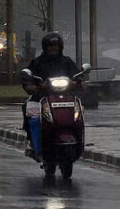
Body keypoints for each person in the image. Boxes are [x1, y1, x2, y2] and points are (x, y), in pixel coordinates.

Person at [21, 32, 84, 160]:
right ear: (45, 47)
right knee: (27, 108)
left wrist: (81, 82)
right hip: (42, 97)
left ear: (60, 46)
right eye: (50, 45)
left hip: (65, 97)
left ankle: (79, 141)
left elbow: (77, 75)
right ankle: (31, 143)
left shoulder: (67, 62)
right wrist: (31, 86)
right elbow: (28, 77)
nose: (53, 48)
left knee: (79, 112)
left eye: (55, 45)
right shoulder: (37, 62)